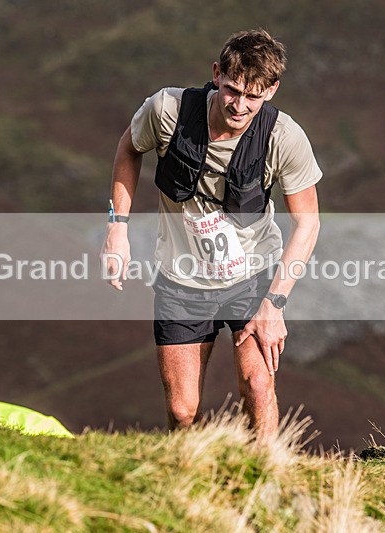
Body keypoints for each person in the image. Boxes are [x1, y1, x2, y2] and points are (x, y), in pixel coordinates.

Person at [101, 29, 322, 440]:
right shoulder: (167, 109)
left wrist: (274, 302)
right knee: (183, 411)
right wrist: (117, 229)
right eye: (232, 90)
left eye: (253, 96)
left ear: (272, 90)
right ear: (217, 74)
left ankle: (266, 478)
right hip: (181, 279)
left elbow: (308, 223)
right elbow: (128, 149)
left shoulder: (284, 138)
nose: (239, 105)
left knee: (257, 386)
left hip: (253, 277)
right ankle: (186, 481)